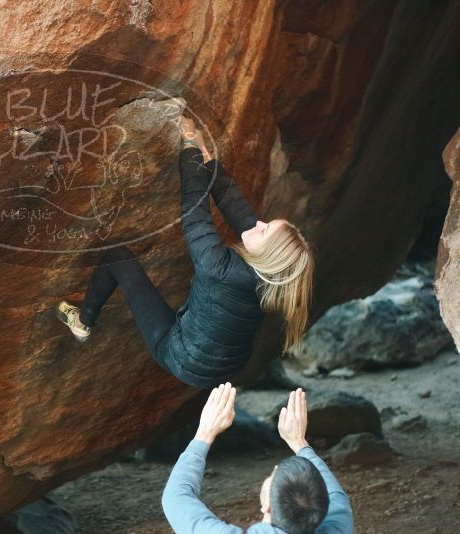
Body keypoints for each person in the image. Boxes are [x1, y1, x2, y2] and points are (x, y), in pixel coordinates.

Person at [56, 102, 314, 388]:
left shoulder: (217, 268)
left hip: (183, 359)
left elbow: (195, 211)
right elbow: (239, 211)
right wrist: (206, 157)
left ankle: (82, 321)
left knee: (118, 258)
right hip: (227, 368)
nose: (259, 224)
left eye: (264, 230)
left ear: (267, 254)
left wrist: (190, 146)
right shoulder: (272, 278)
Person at [162, 384, 353, 533]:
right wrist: (299, 442)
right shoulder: (338, 527)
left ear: (267, 506)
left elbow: (175, 496)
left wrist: (204, 433)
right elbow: (337, 496)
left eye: (274, 475)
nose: (276, 468)